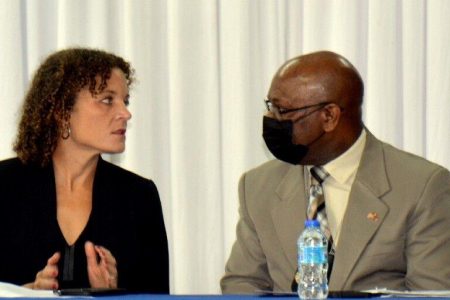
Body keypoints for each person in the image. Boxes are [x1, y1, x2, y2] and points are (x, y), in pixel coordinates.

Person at [221, 50, 450, 293]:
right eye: (270, 106)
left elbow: (430, 295)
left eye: (282, 111)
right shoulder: (258, 186)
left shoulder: (421, 187)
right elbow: (242, 285)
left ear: (329, 116)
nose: (270, 118)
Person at [0, 48, 169, 293]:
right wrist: (25, 294)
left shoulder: (139, 197)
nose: (125, 113)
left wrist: (113, 295)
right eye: (108, 100)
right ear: (62, 110)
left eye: (125, 100)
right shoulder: (5, 186)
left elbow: (158, 298)